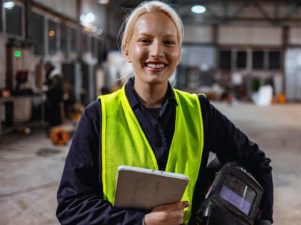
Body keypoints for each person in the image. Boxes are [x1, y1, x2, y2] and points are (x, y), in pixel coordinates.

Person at [56, 1, 273, 225]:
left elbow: (257, 162)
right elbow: (71, 206)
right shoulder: (99, 115)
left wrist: (264, 219)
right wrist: (142, 222)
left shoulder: (199, 112)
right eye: (145, 40)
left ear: (178, 53)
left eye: (168, 42)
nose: (157, 52)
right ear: (127, 50)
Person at [44, 61, 64, 127]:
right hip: (55, 95)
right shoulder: (53, 73)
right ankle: (55, 122)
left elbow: (54, 85)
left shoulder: (54, 74)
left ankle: (54, 123)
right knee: (55, 109)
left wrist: (47, 88)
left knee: (54, 109)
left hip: (55, 95)